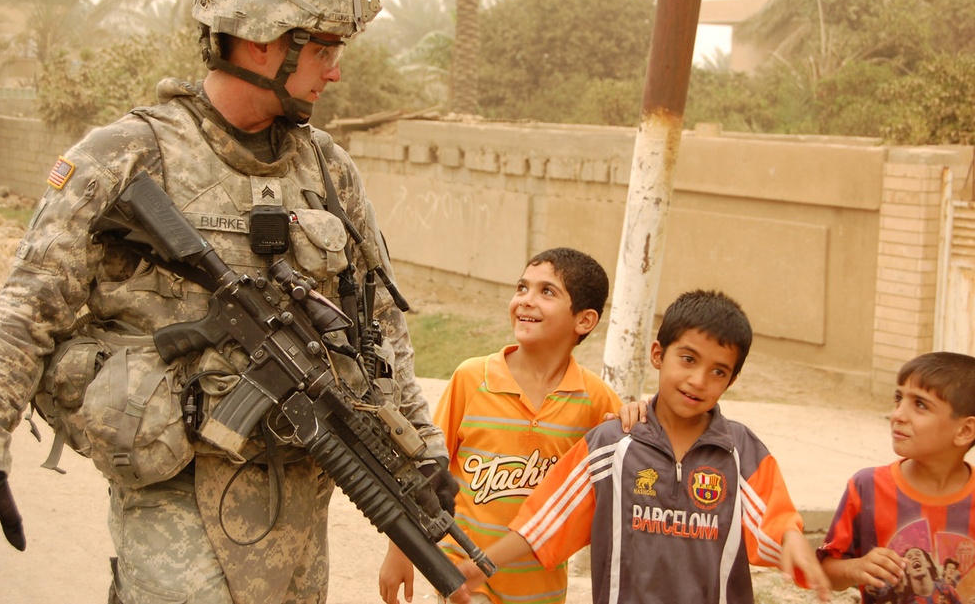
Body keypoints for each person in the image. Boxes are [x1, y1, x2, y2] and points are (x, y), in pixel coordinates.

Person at [0, 0, 454, 603]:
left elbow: (379, 326)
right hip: (175, 492)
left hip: (298, 500)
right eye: (322, 49)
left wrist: (421, 451)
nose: (335, 72)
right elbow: (26, 314)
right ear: (261, 42)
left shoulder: (327, 170)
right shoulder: (125, 157)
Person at [450, 289, 832, 603]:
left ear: (730, 381)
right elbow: (541, 524)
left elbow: (776, 517)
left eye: (718, 371)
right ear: (657, 355)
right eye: (688, 359)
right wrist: (478, 566)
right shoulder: (611, 444)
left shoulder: (740, 450)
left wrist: (792, 539)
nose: (698, 380)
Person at [378, 247, 631, 604]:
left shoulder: (594, 398)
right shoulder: (472, 378)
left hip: (541, 591)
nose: (526, 300)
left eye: (547, 292)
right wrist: (399, 550)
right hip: (463, 583)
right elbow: (421, 470)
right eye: (522, 287)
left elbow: (631, 448)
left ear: (584, 321)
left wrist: (635, 415)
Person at [817, 351, 975, 604]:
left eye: (920, 405)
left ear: (965, 431)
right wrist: (855, 568)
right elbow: (826, 571)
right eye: (898, 399)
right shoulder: (867, 487)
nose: (897, 415)